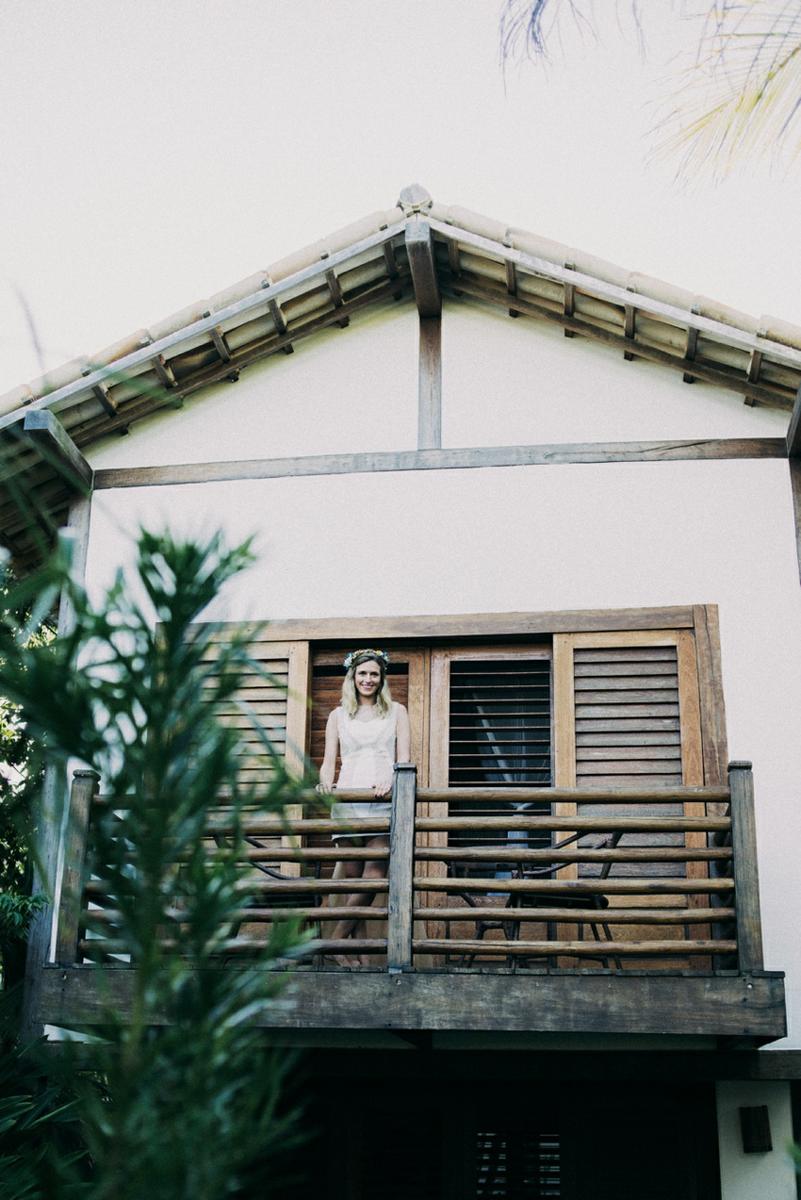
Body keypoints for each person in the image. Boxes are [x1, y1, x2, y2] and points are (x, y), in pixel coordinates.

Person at [316, 648, 411, 966]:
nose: (368, 679)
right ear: (352, 677)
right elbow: (329, 761)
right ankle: (355, 957)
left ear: (381, 678)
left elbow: (404, 759)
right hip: (347, 798)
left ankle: (333, 943)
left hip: (382, 797)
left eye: (374, 674)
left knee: (373, 875)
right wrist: (325, 784)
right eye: (362, 673)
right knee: (354, 879)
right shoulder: (338, 715)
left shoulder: (397, 711)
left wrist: (391, 778)